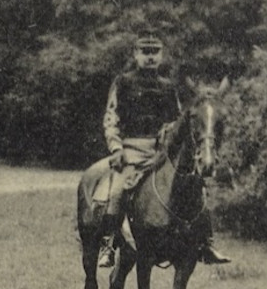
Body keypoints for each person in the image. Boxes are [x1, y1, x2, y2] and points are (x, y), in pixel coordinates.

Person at [97, 34, 230, 267]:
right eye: (145, 52)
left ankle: (206, 243)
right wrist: (116, 148)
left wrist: (171, 141)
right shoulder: (123, 82)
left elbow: (176, 121)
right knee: (117, 190)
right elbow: (111, 118)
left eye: (154, 52)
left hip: (160, 151)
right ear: (136, 54)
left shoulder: (168, 87)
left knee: (196, 186)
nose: (150, 57)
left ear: (161, 55)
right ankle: (108, 244)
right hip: (130, 150)